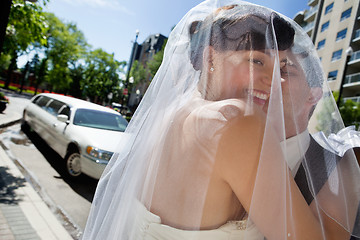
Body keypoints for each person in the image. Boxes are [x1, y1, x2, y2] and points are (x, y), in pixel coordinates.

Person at [82, 1, 360, 239]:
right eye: (257, 61)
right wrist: (348, 166)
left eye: (277, 68)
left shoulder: (168, 118)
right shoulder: (237, 120)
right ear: (211, 57)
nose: (272, 81)